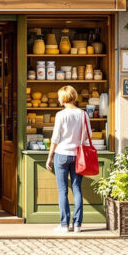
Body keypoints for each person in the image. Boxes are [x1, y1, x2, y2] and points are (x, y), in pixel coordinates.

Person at [45, 85, 91, 233]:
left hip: (62, 154)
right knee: (77, 189)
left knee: (63, 190)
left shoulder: (61, 115)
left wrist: (50, 156)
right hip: (78, 155)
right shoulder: (83, 114)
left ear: (63, 98)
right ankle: (77, 225)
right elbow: (87, 135)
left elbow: (55, 138)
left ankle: (64, 225)